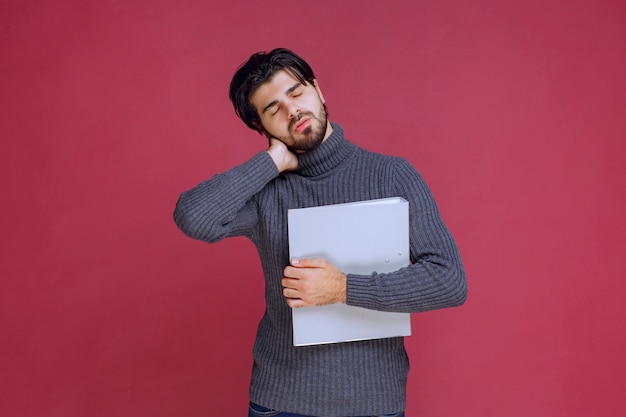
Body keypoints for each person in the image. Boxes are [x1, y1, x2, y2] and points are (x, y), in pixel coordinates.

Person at [173, 48, 467, 417]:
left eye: (296, 93)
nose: (292, 110)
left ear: (318, 90)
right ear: (261, 129)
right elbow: (192, 217)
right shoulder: (267, 190)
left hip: (373, 402)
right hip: (281, 402)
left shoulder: (392, 175)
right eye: (272, 109)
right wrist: (272, 161)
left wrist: (342, 288)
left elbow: (449, 281)